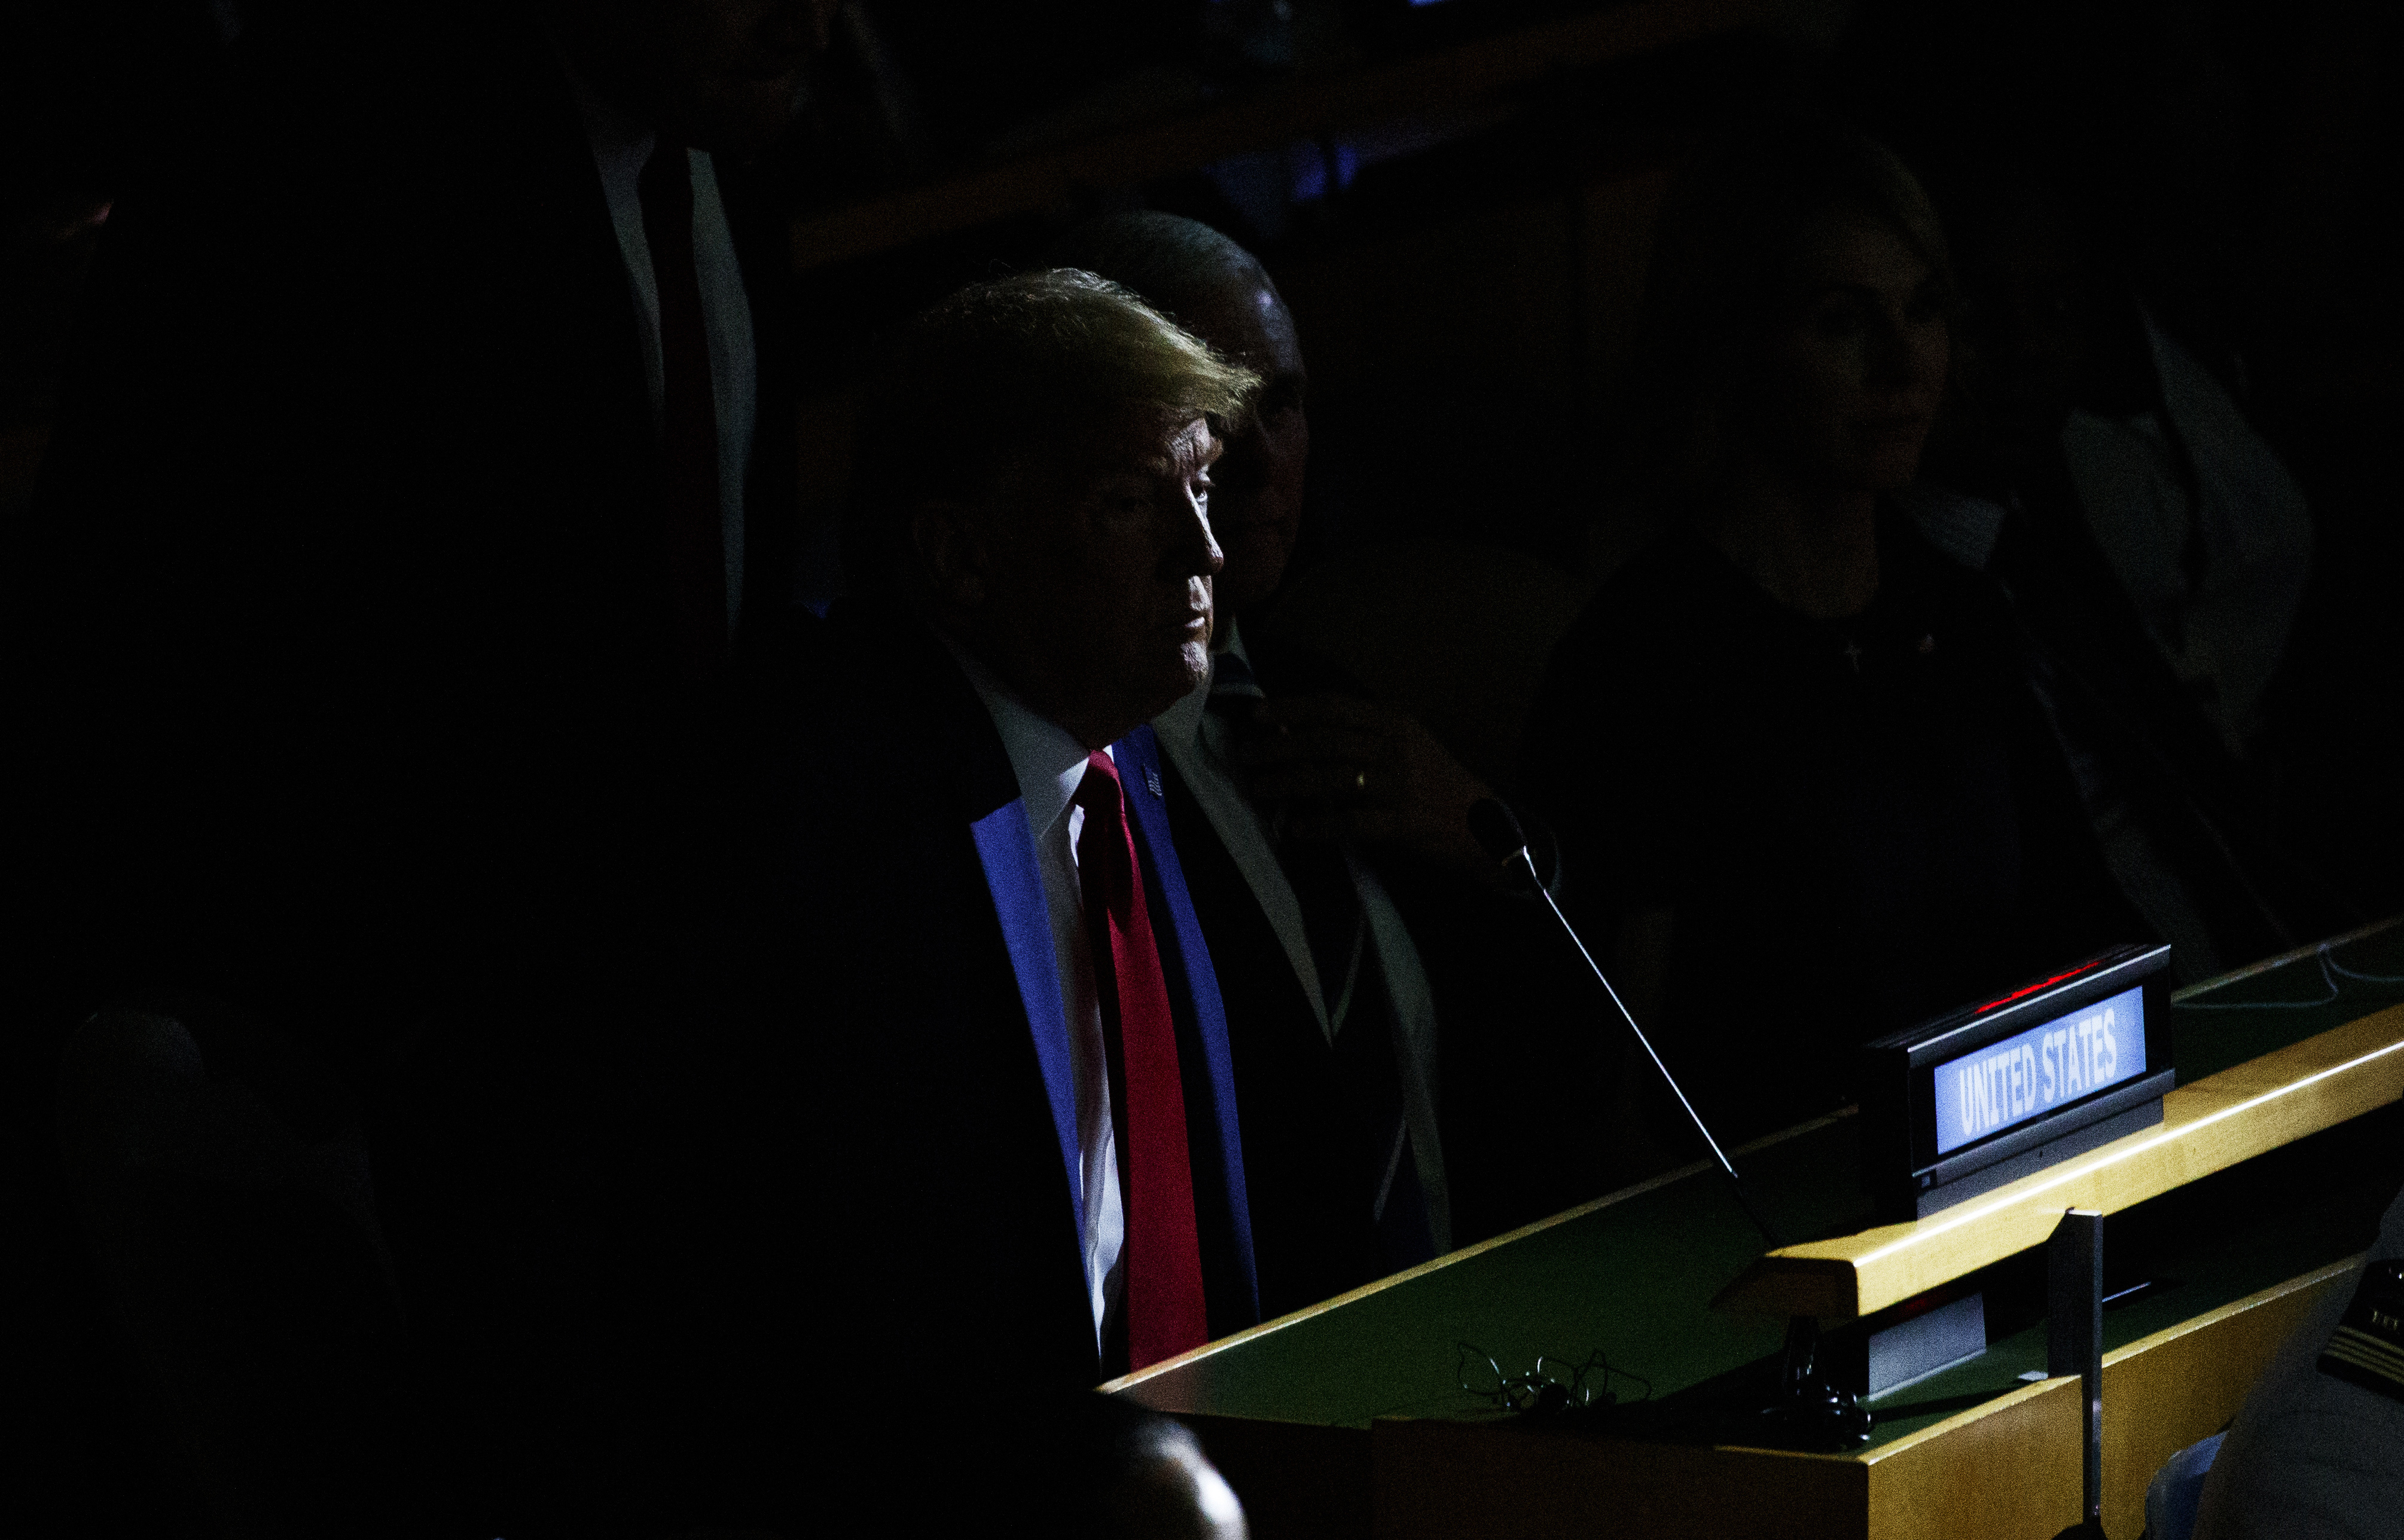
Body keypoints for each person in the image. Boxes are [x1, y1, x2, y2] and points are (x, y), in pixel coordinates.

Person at [5, 2, 834, 1531]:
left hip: (634, 1086)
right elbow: (175, 659)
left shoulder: (722, 150)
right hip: (385, 1092)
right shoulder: (326, 166)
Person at [1523, 130, 2134, 1157]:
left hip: (2020, 1185)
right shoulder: (1645, 662)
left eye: (1925, 310)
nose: (1904, 366)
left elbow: (2091, 935)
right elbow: (1613, 1090)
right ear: (1735, 342)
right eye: (1845, 323)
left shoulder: (1961, 614)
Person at [1909, 164, 2351, 981]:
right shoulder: (1920, 598)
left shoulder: (2050, 524)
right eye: (1978, 309)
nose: (2025, 347)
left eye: (2059, 308)